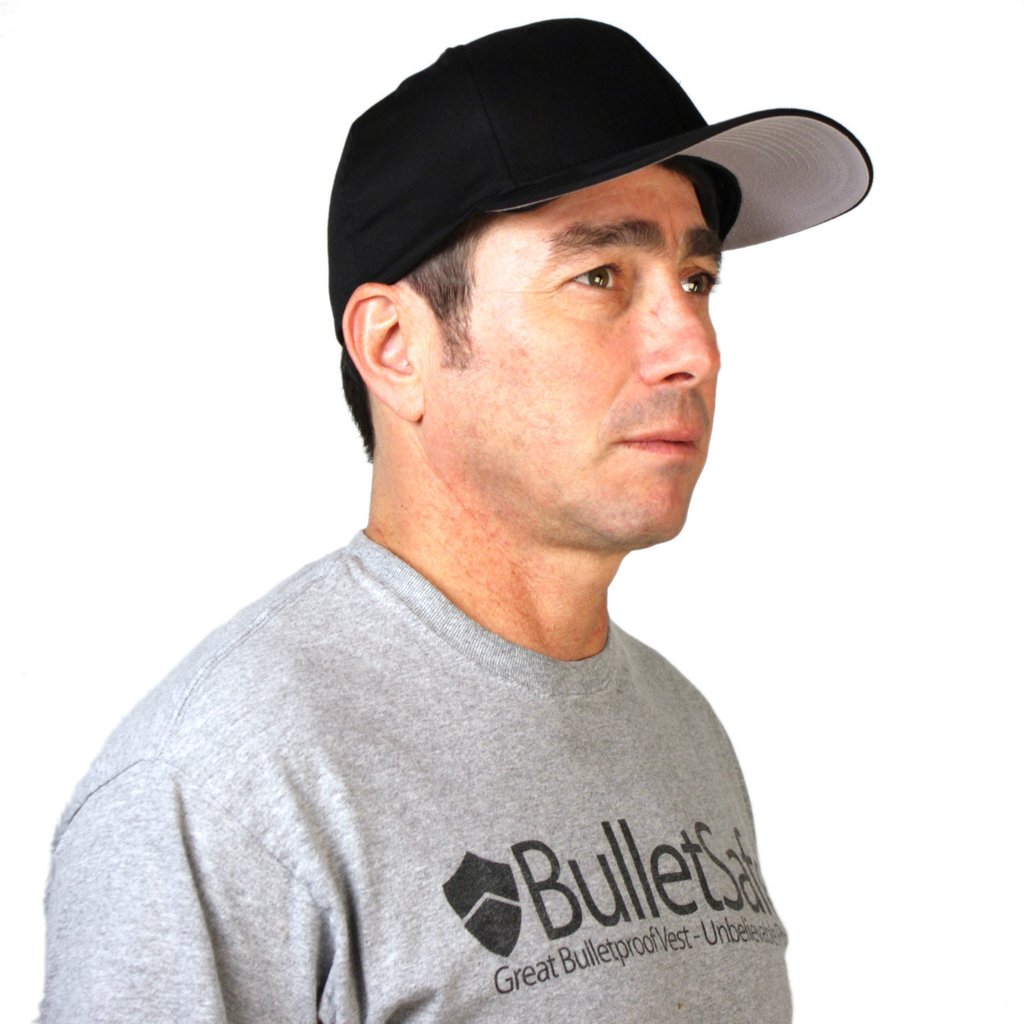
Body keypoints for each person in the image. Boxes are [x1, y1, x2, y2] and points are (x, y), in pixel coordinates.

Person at [40, 18, 871, 1024]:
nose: (693, 347)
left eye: (697, 281)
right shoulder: (221, 790)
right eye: (601, 277)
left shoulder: (679, 728)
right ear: (396, 346)